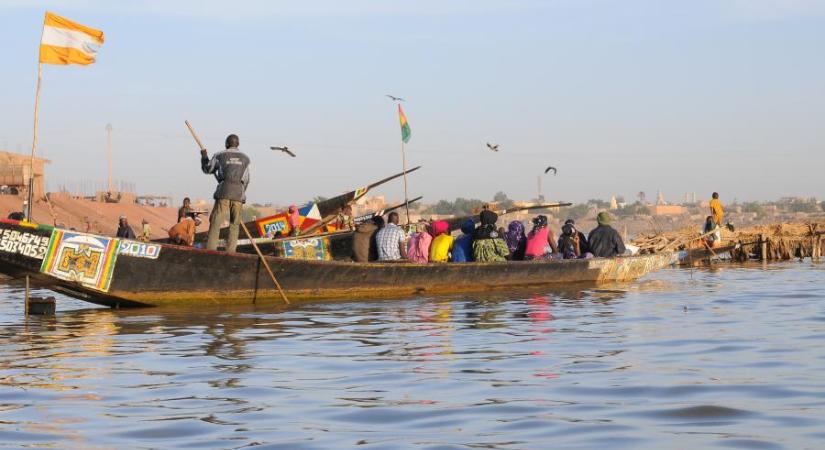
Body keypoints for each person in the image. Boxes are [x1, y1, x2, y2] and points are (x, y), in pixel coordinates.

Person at [201, 134, 250, 253]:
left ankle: (211, 250)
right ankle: (231, 251)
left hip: (224, 191)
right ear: (237, 144)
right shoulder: (246, 158)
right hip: (238, 193)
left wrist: (204, 157)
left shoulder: (219, 155)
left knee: (216, 221)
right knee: (235, 224)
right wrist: (241, 193)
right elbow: (246, 180)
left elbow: (208, 169)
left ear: (226, 143)